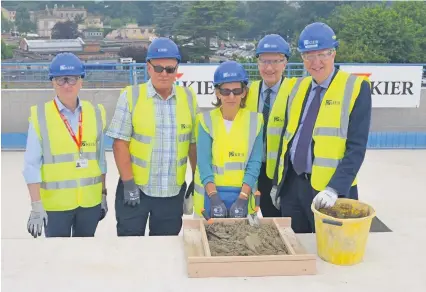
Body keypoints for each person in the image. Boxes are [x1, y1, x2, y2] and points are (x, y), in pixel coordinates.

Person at [269, 22, 372, 233]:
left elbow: (356, 147)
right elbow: (287, 139)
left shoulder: (355, 88)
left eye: (322, 54)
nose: (315, 62)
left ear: (333, 53)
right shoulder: (298, 87)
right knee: (297, 248)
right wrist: (277, 184)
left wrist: (335, 188)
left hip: (329, 194)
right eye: (308, 55)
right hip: (292, 186)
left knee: (328, 252)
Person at [107, 37, 198, 236]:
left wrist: (196, 178)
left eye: (170, 69)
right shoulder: (131, 96)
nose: (164, 74)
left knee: (165, 250)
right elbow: (120, 143)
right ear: (148, 67)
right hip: (136, 190)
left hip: (171, 192)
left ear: (177, 70)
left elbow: (192, 144)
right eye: (158, 68)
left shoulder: (188, 98)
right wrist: (128, 183)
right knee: (130, 247)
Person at [24, 52, 108, 238]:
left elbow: (101, 161)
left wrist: (103, 194)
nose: (67, 85)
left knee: (85, 257)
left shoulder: (95, 113)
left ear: (81, 82)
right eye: (61, 80)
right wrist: (36, 206)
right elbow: (31, 165)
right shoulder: (40, 116)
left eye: (72, 79)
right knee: (57, 259)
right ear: (53, 82)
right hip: (56, 206)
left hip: (90, 203)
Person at [193, 61, 263, 220]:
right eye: (225, 91)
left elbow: (255, 162)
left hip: (242, 199)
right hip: (209, 198)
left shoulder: (256, 121)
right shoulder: (205, 120)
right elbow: (204, 163)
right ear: (217, 93)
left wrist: (243, 197)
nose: (231, 96)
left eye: (237, 91)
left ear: (244, 92)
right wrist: (213, 197)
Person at [246, 34, 297, 217]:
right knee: (264, 218)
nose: (269, 67)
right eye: (264, 61)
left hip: (283, 173)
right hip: (255, 170)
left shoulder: (296, 91)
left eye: (275, 61)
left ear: (285, 63)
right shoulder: (248, 91)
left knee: (285, 221)